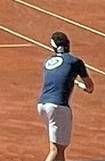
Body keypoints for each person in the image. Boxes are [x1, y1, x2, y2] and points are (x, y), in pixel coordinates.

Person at [36, 31, 93, 161]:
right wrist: (83, 87)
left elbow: (59, 78)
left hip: (42, 105)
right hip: (58, 107)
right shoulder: (75, 61)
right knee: (56, 150)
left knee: (59, 149)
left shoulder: (47, 62)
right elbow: (90, 86)